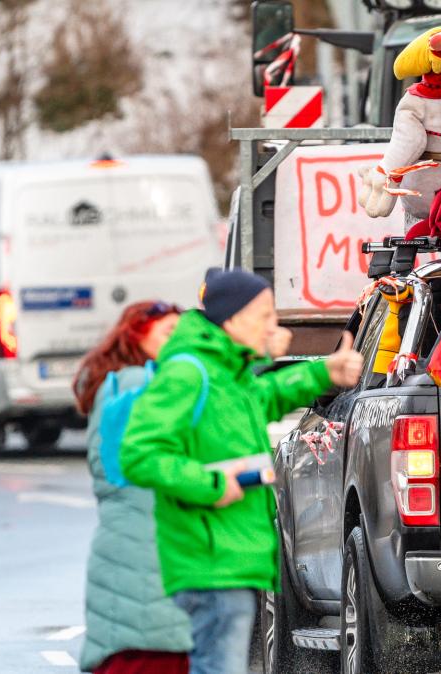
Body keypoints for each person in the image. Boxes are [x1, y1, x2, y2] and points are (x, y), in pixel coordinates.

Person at [120, 269, 364, 674]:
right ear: (233, 320)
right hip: (211, 563)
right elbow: (139, 453)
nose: (273, 325)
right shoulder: (189, 372)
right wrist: (212, 485)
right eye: (264, 314)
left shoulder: (225, 372)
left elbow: (264, 396)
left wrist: (324, 373)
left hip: (229, 559)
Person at [74, 301, 193, 674]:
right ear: (136, 337)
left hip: (135, 553)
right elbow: (142, 469)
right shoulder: (137, 386)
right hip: (145, 557)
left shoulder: (122, 386)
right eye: (169, 334)